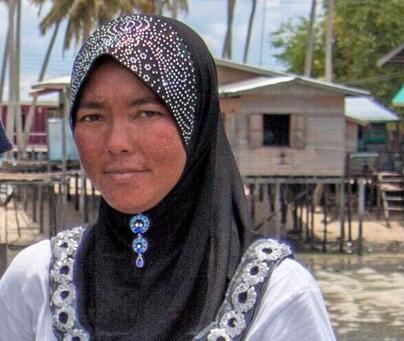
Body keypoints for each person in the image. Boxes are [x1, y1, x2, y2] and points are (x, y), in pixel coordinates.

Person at [0, 15, 335, 340]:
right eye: (93, 116)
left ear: (197, 126)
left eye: (146, 113)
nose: (116, 143)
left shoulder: (277, 295)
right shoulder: (37, 279)